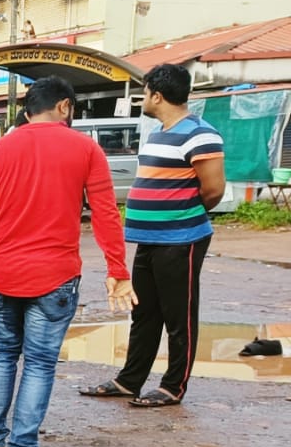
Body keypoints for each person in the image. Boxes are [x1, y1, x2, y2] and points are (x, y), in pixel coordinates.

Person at [0, 77, 133, 447]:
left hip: (3, 271)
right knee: (39, 362)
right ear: (65, 107)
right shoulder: (86, 148)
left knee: (4, 352)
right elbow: (106, 214)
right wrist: (117, 270)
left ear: (26, 111)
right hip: (55, 275)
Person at [81, 64, 225, 408]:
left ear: (157, 95)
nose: (142, 99)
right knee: (143, 312)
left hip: (181, 237)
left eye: (144, 93)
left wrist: (181, 213)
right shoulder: (159, 131)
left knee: (179, 315)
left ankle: (173, 386)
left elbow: (213, 190)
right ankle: (129, 380)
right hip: (150, 238)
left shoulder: (201, 134)